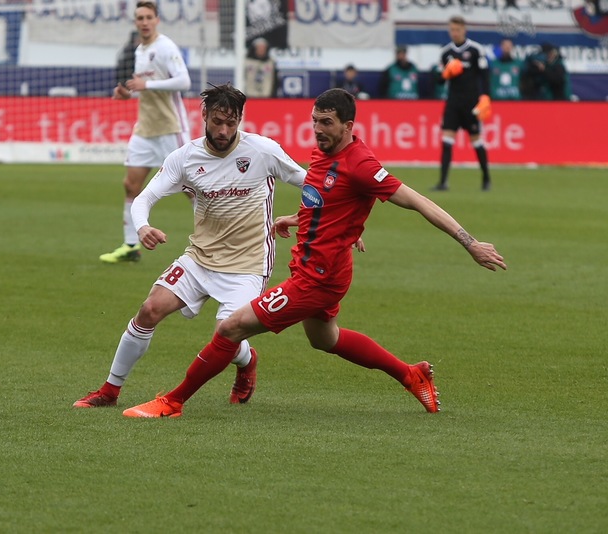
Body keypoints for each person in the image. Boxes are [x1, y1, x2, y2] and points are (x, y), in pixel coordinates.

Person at [122, 88, 507, 419]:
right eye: (315, 121)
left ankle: (172, 401)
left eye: (327, 123)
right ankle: (411, 374)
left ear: (348, 127)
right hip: (323, 267)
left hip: (316, 278)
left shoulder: (361, 164)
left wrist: (469, 241)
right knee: (325, 339)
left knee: (230, 328)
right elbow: (326, 200)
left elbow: (418, 201)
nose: (318, 130)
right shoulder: (323, 153)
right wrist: (297, 218)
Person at [74, 83, 308, 408]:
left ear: (240, 119)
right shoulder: (184, 158)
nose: (224, 130)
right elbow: (145, 198)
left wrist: (329, 220)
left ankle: (247, 362)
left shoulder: (263, 151)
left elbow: (309, 183)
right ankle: (109, 391)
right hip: (199, 258)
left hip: (247, 265)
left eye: (231, 122)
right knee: (149, 310)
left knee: (226, 335)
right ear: (204, 117)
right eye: (217, 121)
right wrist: (142, 226)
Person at [100, 1, 192, 263]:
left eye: (148, 17)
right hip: (145, 127)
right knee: (131, 185)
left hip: (169, 127)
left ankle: (216, 236)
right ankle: (131, 246)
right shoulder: (140, 50)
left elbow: (184, 81)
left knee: (191, 187)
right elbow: (144, 88)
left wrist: (146, 84)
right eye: (139, 17)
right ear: (135, 21)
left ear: (157, 20)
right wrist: (128, 94)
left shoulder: (165, 47)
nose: (144, 22)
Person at [432, 16, 492, 192]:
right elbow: (439, 81)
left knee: (476, 141)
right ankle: (443, 182)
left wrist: (486, 97)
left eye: (457, 30)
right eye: (452, 30)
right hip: (453, 103)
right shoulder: (445, 52)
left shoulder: (475, 50)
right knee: (447, 141)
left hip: (471, 104)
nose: (454, 33)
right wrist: (446, 74)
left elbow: (484, 75)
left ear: (464, 30)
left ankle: (486, 178)